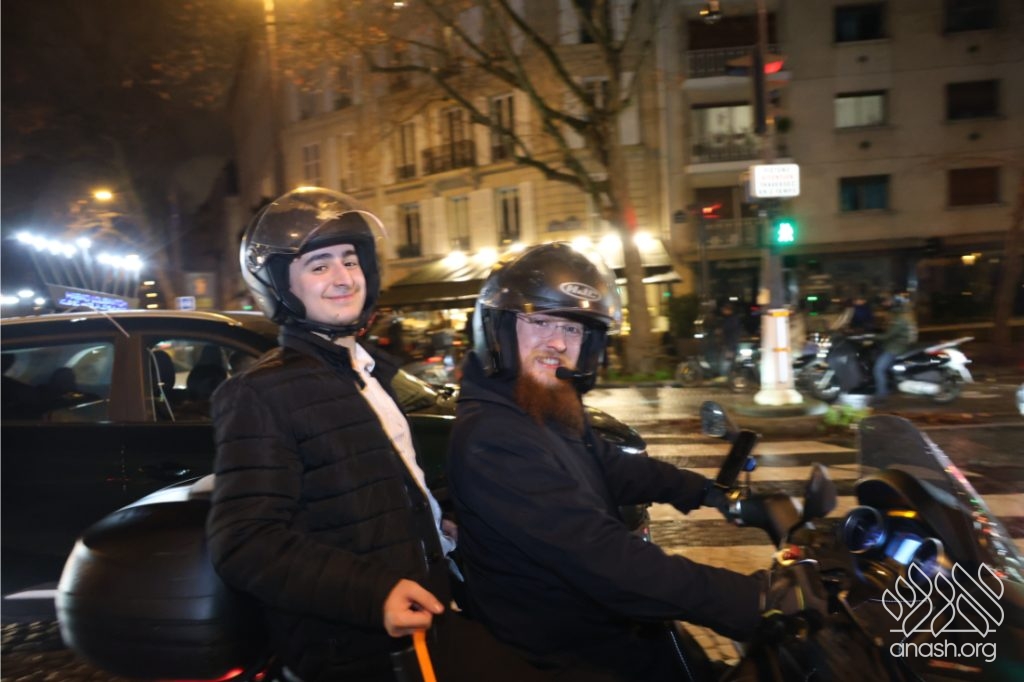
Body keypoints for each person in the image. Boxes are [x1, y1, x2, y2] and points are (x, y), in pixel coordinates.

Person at [206, 187, 541, 682]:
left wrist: (437, 518)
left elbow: (370, 487)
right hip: (359, 650)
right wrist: (374, 593)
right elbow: (245, 541)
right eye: (319, 266)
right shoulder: (260, 392)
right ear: (280, 285)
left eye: (350, 260)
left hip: (428, 616)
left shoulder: (366, 372)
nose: (344, 278)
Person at [447, 243, 823, 681]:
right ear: (497, 330)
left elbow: (611, 466)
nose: (558, 342)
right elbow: (604, 559)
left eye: (572, 329)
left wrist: (710, 493)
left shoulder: (539, 406)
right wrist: (754, 599)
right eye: (541, 321)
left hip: (614, 636)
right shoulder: (493, 438)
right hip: (570, 656)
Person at [872, 292, 917, 403]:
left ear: (897, 304)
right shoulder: (901, 315)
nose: (887, 304)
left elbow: (888, 335)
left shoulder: (900, 318)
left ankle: (881, 396)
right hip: (896, 344)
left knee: (878, 369)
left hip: (896, 348)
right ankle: (887, 385)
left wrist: (871, 336)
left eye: (889, 302)